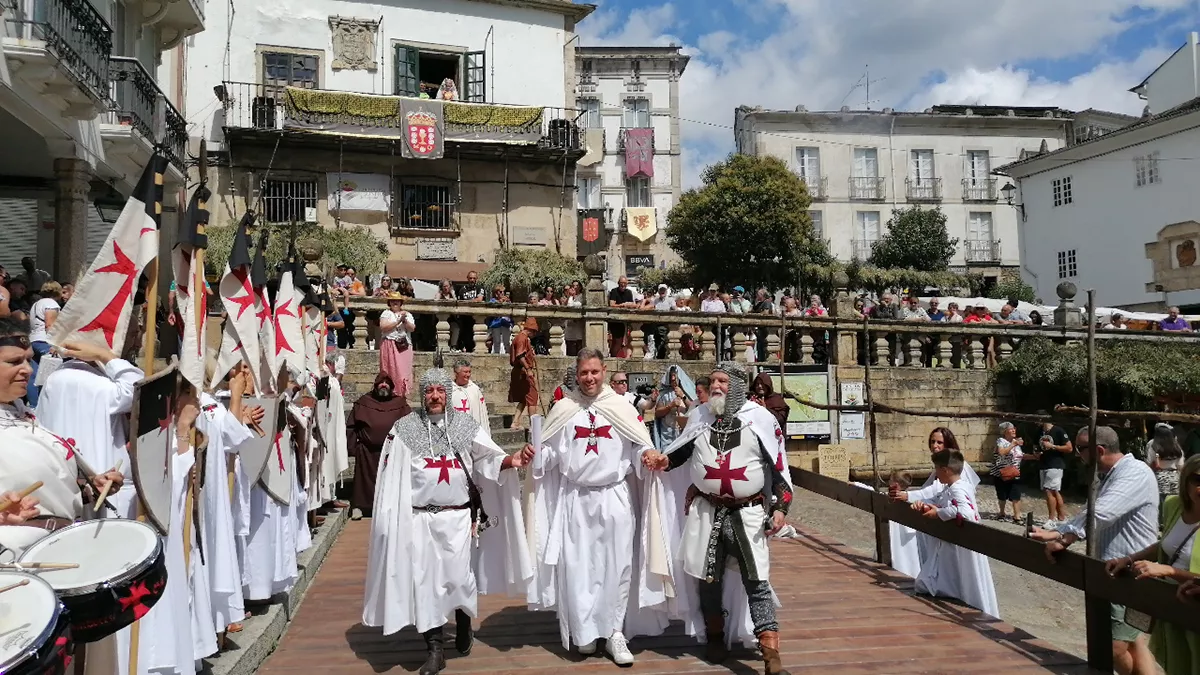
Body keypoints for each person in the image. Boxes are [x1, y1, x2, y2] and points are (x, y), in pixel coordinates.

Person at [362, 367, 534, 675]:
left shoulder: (465, 426)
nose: (435, 396)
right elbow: (391, 477)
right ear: (422, 395)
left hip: (457, 519)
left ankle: (464, 618)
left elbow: (487, 458)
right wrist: (390, 520)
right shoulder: (405, 429)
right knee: (426, 583)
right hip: (420, 518)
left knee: (458, 579)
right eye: (429, 391)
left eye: (441, 391)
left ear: (448, 394)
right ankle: (435, 649)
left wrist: (513, 460)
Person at [643, 361, 794, 675]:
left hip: (747, 513)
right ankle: (714, 638)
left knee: (757, 581)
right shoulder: (700, 416)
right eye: (712, 381)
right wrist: (662, 460)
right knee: (708, 580)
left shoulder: (760, 419)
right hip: (707, 511)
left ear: (738, 385)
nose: (715, 386)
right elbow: (681, 453)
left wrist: (780, 508)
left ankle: (771, 654)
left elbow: (779, 469)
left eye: (723, 381)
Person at [526, 349, 672, 666]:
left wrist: (646, 456)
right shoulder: (564, 409)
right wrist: (535, 454)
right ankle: (585, 633)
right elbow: (551, 454)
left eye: (594, 372)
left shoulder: (620, 407)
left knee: (617, 566)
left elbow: (638, 446)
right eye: (583, 373)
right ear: (576, 375)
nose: (589, 378)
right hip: (575, 499)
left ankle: (615, 632)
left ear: (603, 370)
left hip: (615, 495)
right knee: (578, 567)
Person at [0, 319, 129, 675]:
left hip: (65, 562)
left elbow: (55, 481)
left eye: (27, 358)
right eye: (14, 361)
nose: (28, 369)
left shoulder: (25, 416)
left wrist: (92, 484)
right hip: (18, 574)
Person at [1032, 426, 1159, 675]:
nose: (1078, 455)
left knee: (1113, 647)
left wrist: (1063, 537)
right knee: (1134, 641)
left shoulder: (1133, 473)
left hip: (1132, 574)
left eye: (1080, 449)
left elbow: (1102, 512)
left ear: (1099, 450)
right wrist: (1059, 530)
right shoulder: (1111, 474)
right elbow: (1092, 512)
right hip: (1117, 572)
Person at [1106, 454, 1200, 675]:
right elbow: (1166, 542)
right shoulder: (1173, 506)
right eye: (1198, 479)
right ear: (1186, 480)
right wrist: (1129, 558)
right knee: (1176, 666)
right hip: (1172, 605)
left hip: (1196, 609)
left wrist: (1169, 570)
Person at [894, 449, 1000, 618]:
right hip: (950, 544)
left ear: (945, 470)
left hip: (960, 547)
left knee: (963, 580)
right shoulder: (953, 487)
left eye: (937, 469)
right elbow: (935, 499)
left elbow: (966, 512)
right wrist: (919, 503)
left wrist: (939, 513)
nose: (935, 473)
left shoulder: (958, 489)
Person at [346, 373, 410, 520]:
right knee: (364, 482)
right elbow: (351, 427)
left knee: (390, 480)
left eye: (387, 383)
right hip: (367, 451)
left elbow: (410, 426)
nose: (384, 385)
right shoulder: (364, 402)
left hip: (392, 451)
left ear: (391, 386)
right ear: (375, 385)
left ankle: (391, 507)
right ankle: (360, 507)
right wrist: (353, 448)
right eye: (381, 383)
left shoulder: (400, 403)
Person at [1032, 415, 1073, 528]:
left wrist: (1053, 446)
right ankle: (1062, 518)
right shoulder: (1039, 432)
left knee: (1049, 491)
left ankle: (1051, 519)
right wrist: (1036, 453)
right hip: (1043, 464)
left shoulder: (1058, 430)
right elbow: (1036, 446)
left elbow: (1069, 448)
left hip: (1055, 464)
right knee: (1054, 491)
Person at [25, 281, 61, 406]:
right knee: (52, 373)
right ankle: (49, 405)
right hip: (44, 340)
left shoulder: (36, 304)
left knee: (33, 376)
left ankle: (34, 405)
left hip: (33, 340)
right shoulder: (51, 304)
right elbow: (50, 324)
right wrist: (55, 344)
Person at [379, 292, 415, 397]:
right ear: (389, 302)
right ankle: (389, 393)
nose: (395, 303)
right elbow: (383, 327)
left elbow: (412, 328)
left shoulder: (407, 314)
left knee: (403, 372)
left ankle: (402, 395)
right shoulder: (386, 313)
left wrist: (404, 321)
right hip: (389, 344)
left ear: (401, 303)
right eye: (393, 301)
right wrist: (398, 321)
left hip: (403, 346)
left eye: (397, 301)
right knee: (390, 371)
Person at [652, 365, 695, 450]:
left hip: (684, 434)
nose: (673, 378)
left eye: (675, 375)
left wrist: (683, 396)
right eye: (671, 375)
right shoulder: (664, 394)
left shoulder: (688, 392)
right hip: (667, 435)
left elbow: (694, 408)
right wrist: (670, 406)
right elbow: (657, 413)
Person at [508, 318, 539, 430]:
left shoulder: (522, 338)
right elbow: (520, 356)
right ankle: (533, 426)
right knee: (532, 398)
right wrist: (528, 369)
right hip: (523, 372)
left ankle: (515, 422)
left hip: (520, 371)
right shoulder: (522, 338)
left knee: (523, 398)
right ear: (532, 330)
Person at [1147, 423, 1186, 509]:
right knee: (1174, 505)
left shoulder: (1152, 445)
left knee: (1162, 507)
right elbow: (1180, 466)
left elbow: (1150, 464)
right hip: (1175, 478)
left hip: (1160, 478)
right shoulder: (1177, 447)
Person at [992, 422, 1024, 523]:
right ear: (1005, 431)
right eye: (1011, 429)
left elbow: (1020, 455)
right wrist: (1013, 445)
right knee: (1002, 494)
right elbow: (1002, 452)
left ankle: (1017, 516)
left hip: (1014, 473)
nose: (1014, 430)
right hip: (1001, 473)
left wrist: (1034, 456)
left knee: (1016, 494)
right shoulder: (1000, 441)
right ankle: (1002, 513)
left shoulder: (1016, 443)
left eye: (1014, 428)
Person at [450, 358, 488, 431]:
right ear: (456, 373)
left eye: (469, 372)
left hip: (473, 430)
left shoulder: (475, 390)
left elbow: (482, 415)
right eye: (465, 372)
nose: (468, 375)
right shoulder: (449, 390)